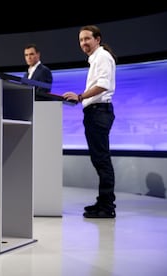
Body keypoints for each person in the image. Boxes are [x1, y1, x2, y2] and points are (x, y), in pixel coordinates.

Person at [63, 25, 117, 218]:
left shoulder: (102, 57)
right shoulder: (96, 59)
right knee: (99, 159)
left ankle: (107, 207)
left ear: (97, 39)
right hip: (95, 112)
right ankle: (103, 201)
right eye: (81, 40)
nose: (83, 43)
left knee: (102, 160)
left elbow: (103, 85)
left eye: (87, 38)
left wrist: (79, 96)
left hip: (99, 112)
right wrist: (80, 99)